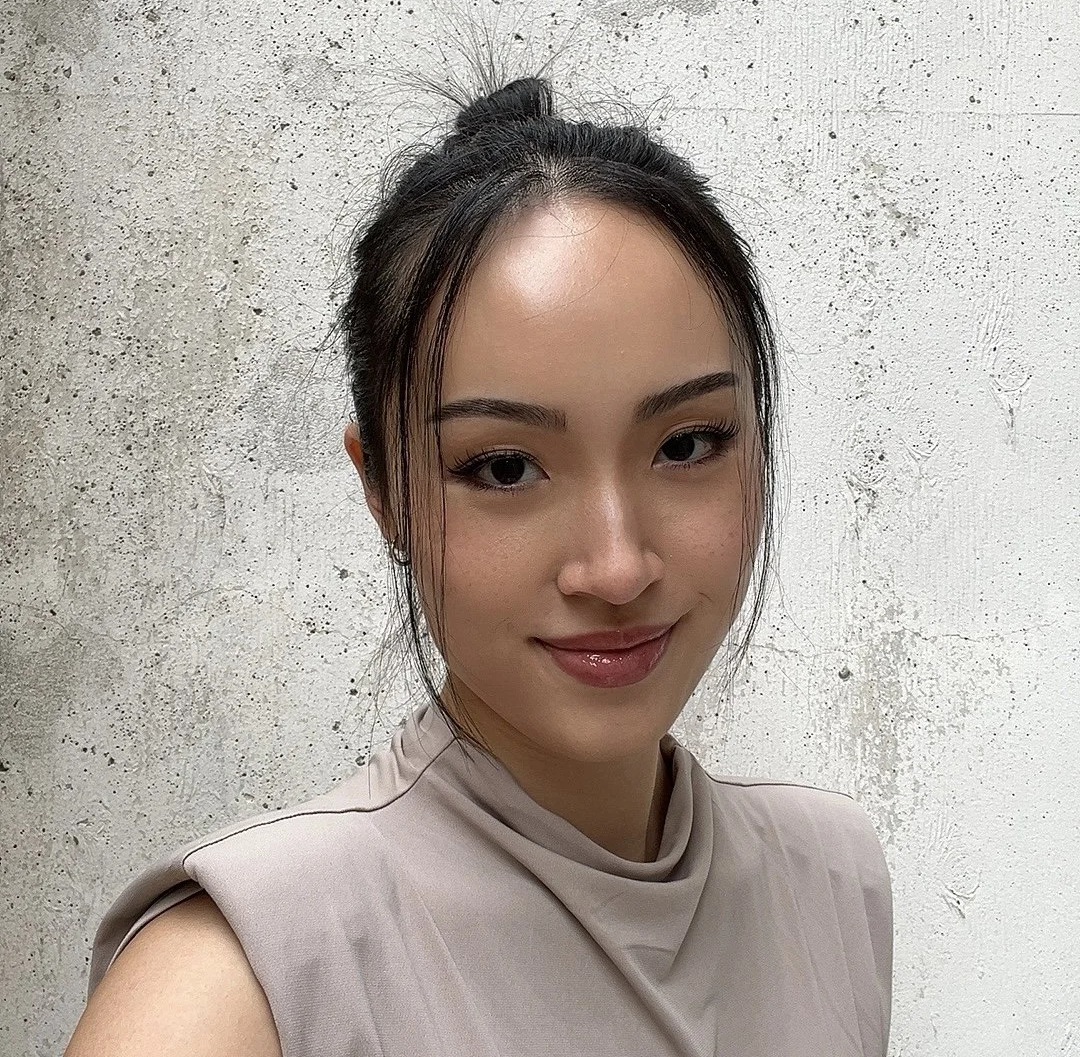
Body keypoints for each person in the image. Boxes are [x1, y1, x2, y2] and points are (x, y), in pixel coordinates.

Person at [65, 74, 892, 1057]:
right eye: (504, 467)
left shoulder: (832, 884)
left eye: (686, 445)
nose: (617, 566)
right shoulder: (241, 983)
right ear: (382, 492)